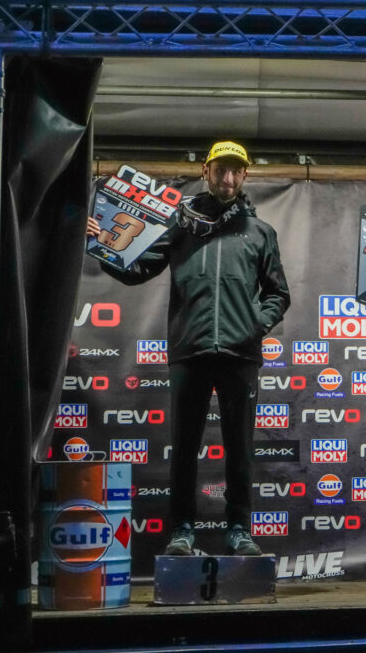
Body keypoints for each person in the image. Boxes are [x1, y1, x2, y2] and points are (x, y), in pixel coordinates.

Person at [87, 141, 290, 554]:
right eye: (220, 169)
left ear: (245, 175)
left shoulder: (260, 232)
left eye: (235, 171)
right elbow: (138, 270)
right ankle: (181, 530)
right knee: (184, 449)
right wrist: (104, 247)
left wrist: (257, 324)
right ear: (205, 171)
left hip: (240, 354)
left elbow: (278, 294)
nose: (227, 178)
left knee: (239, 450)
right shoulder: (179, 225)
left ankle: (240, 530)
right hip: (189, 351)